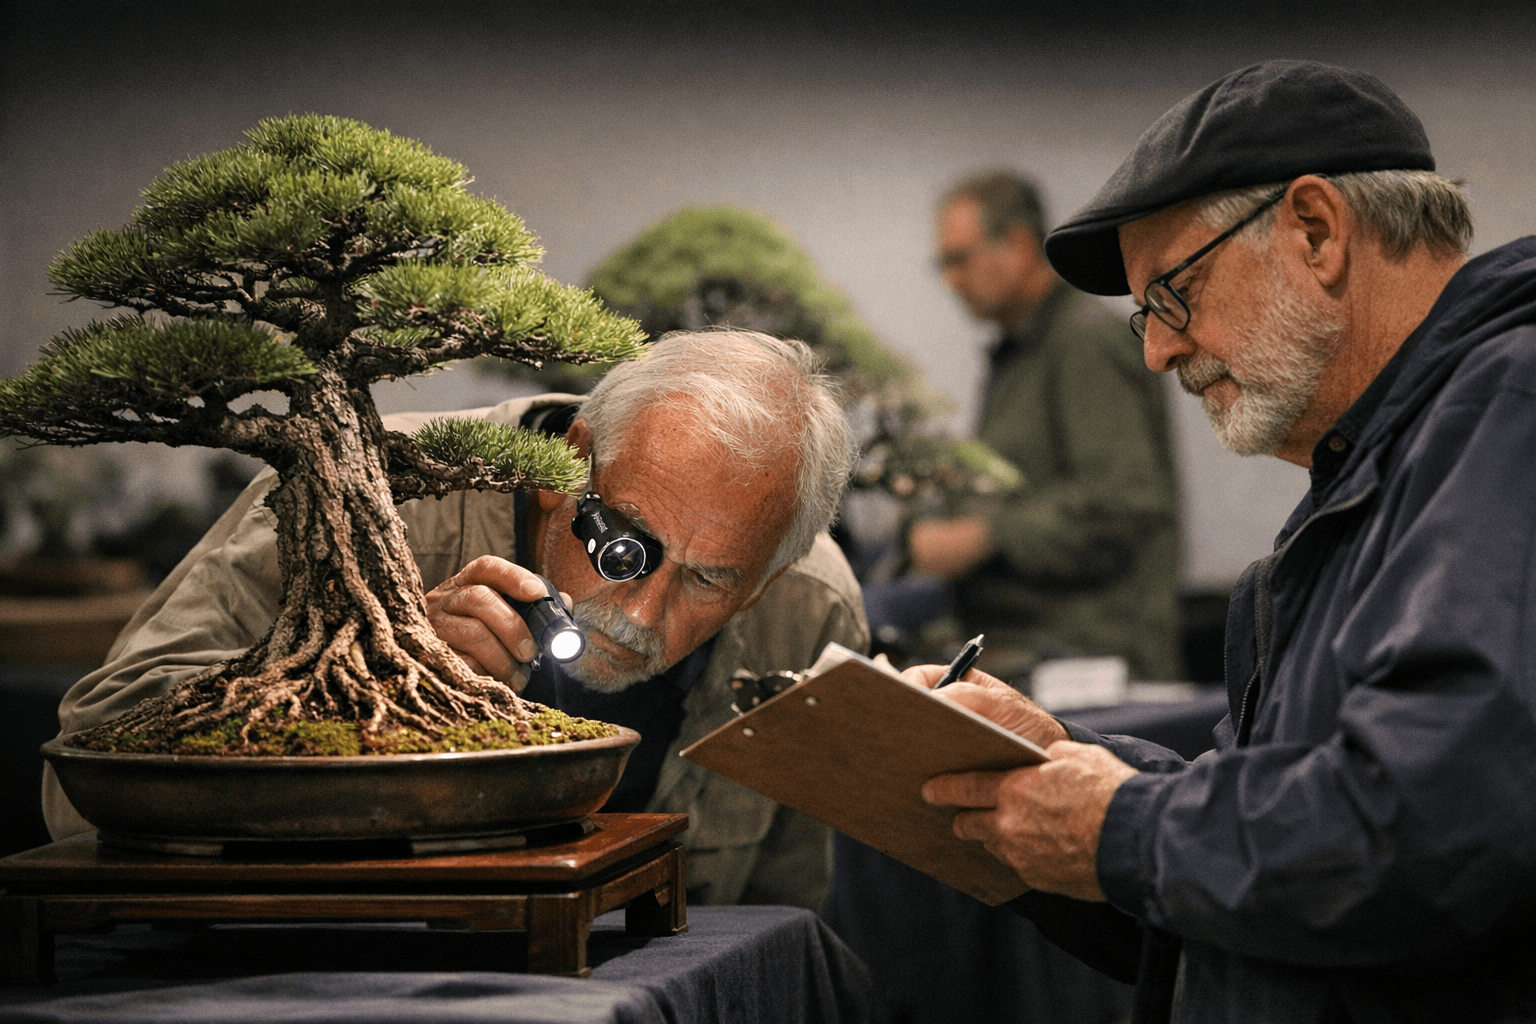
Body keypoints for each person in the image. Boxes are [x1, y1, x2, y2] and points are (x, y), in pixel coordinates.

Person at [912, 59, 1536, 1022]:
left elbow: (1434, 832)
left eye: (1173, 293)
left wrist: (1120, 827)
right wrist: (1053, 766)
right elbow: (1278, 835)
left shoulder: (1509, 409)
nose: (1158, 350)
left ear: (1316, 230)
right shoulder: (1384, 463)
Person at [44, 329, 869, 912]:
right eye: (626, 548)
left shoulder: (811, 606)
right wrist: (376, 682)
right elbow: (88, 765)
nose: (641, 612)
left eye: (711, 579)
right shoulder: (353, 499)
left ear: (766, 579)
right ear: (568, 464)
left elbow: (783, 915)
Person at [913, 170, 1181, 682]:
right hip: (1041, 654)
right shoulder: (1021, 352)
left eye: (959, 259)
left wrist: (982, 536)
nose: (951, 281)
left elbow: (1123, 504)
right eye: (943, 265)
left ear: (1017, 245)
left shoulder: (1085, 342)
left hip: (1096, 666)